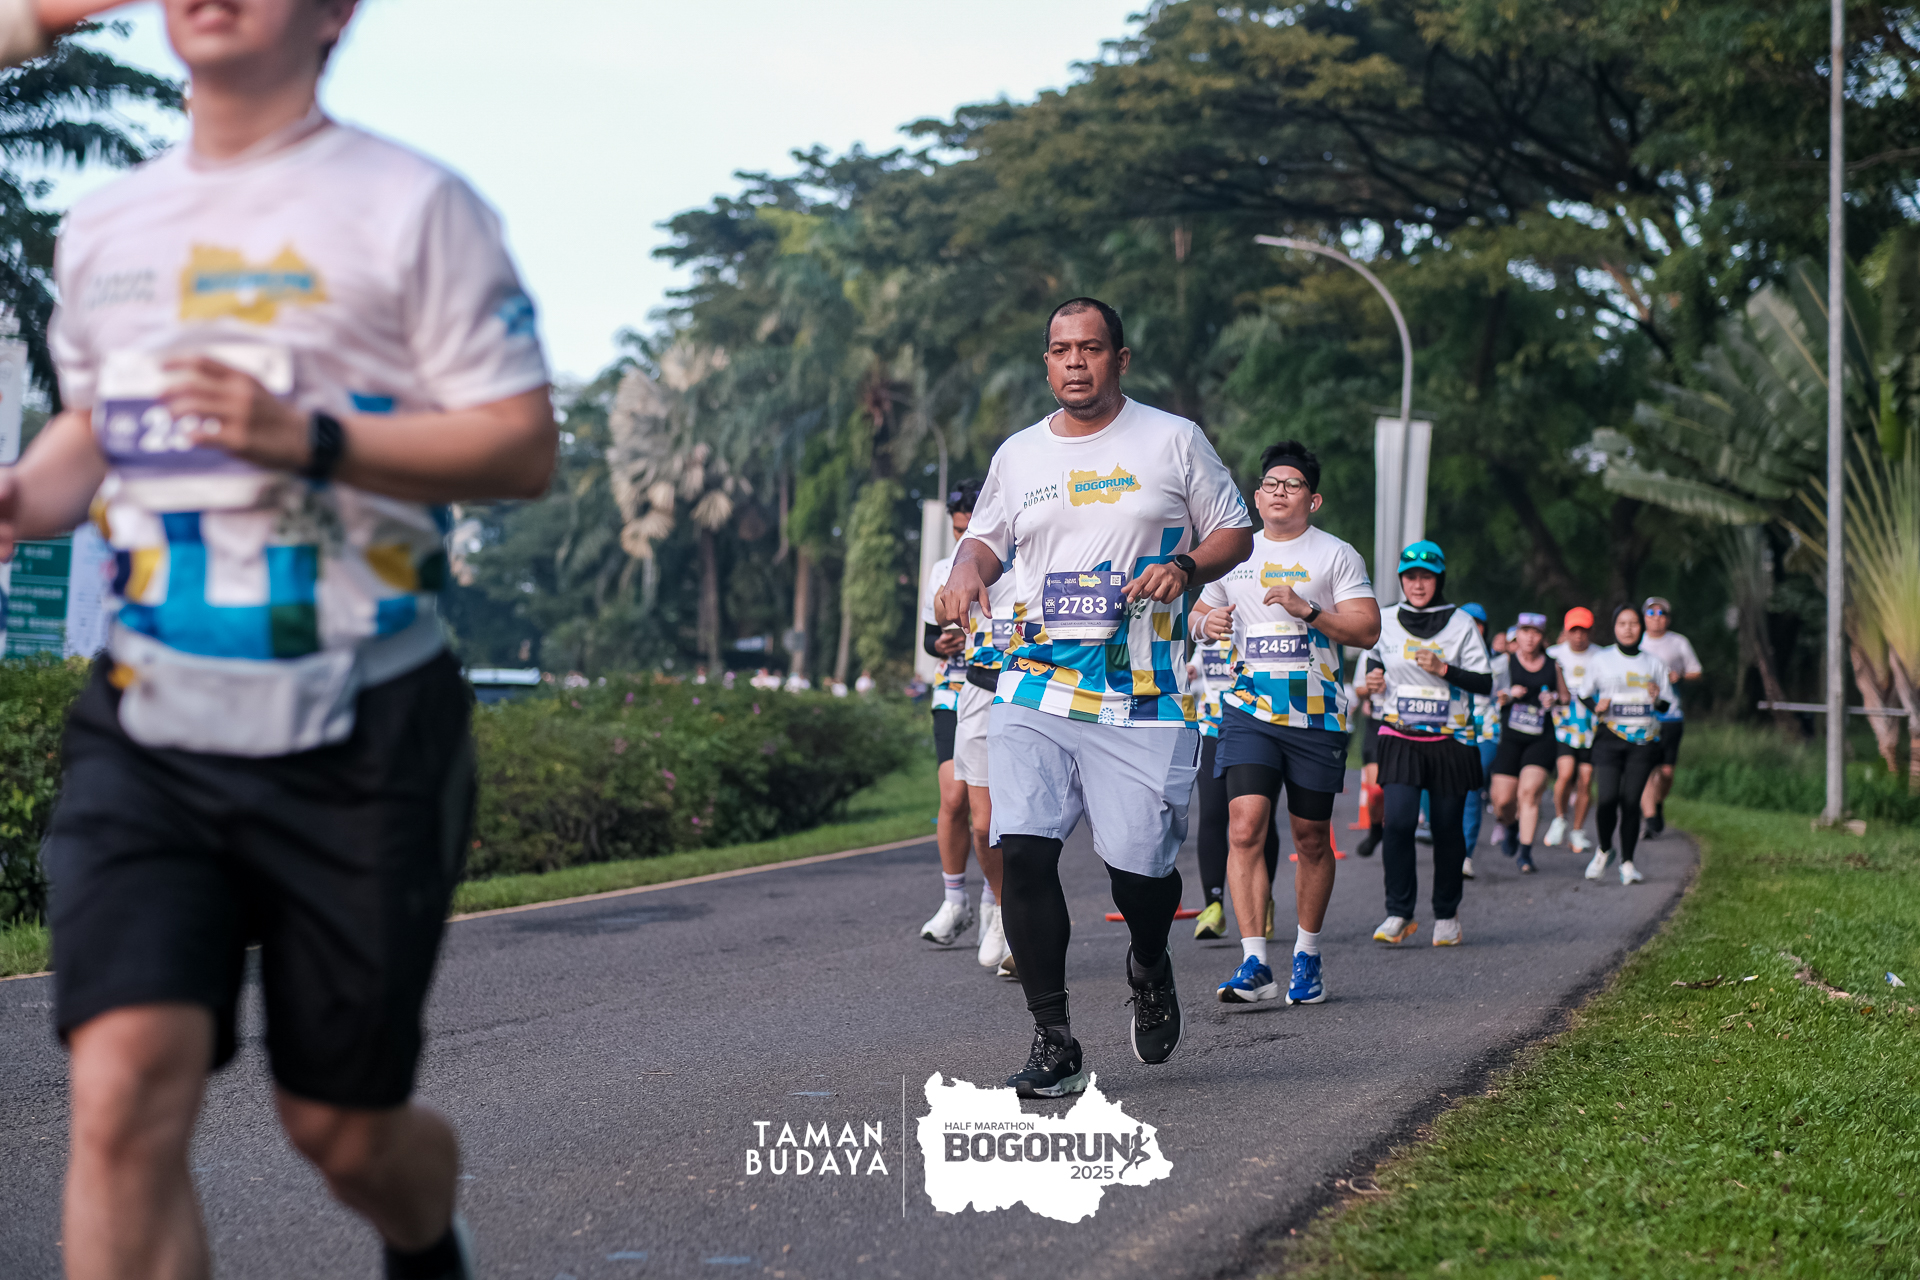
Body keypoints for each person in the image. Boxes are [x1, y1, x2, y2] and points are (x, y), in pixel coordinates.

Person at [10, 3, 557, 1278]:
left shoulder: (414, 206)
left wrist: (308, 438)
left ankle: (425, 1237)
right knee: (119, 1088)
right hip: (148, 713)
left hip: (364, 718)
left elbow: (520, 442)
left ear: (334, 13)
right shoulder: (107, 222)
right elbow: (95, 421)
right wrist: (24, 494)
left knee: (342, 1128)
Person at [937, 297, 1253, 1098]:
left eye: (1091, 348)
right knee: (1024, 850)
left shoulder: (1172, 439)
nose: (1075, 361)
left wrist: (1185, 567)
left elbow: (1234, 529)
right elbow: (985, 539)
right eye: (1060, 350)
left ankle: (1149, 960)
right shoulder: (1019, 455)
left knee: (1141, 874)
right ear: (1047, 362)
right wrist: (966, 570)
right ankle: (1055, 1039)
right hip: (1035, 680)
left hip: (1141, 690)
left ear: (1120, 358)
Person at [1191, 440, 1380, 1006]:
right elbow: (1198, 610)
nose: (1279, 492)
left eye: (1292, 484)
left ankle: (1307, 953)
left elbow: (1367, 628)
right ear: (1256, 497)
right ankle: (1254, 962)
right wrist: (1207, 622)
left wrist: (1308, 611)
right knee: (1244, 826)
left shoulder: (1336, 555)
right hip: (1248, 709)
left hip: (1315, 714)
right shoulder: (1235, 552)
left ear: (1312, 500)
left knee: (1310, 838)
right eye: (1271, 484)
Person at [1361, 542, 1493, 947]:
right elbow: (1374, 663)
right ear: (1402, 580)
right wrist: (1373, 678)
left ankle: (1446, 914)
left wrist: (1444, 669)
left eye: (1426, 577)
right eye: (1411, 577)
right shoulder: (1384, 619)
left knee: (1446, 828)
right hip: (1400, 735)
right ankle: (1399, 912)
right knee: (1399, 823)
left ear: (1439, 580)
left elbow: (1484, 682)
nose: (1418, 585)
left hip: (1450, 740)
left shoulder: (1461, 624)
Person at [943, 478, 1016, 974]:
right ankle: (1004, 909)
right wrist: (955, 587)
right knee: (985, 825)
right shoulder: (968, 557)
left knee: (1037, 825)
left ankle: (1025, 918)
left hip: (1039, 692)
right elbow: (938, 612)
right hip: (980, 692)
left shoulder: (1042, 553)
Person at [1187, 633, 1280, 942]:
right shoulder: (1207, 622)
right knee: (1212, 814)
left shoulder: (1258, 620)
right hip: (1212, 727)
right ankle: (1213, 906)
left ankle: (1263, 899)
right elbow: (1198, 662)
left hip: (1257, 728)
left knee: (1259, 819)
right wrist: (1192, 669)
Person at [917, 502, 977, 949]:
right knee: (953, 797)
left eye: (969, 528)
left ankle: (996, 905)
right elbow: (927, 638)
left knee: (989, 813)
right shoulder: (942, 570)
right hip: (952, 690)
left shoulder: (1012, 561)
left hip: (999, 687)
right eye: (957, 530)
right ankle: (955, 900)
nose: (962, 538)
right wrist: (940, 644)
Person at [1585, 603, 1676, 884]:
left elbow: (1666, 704)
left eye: (1633, 623)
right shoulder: (1601, 659)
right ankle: (1604, 849)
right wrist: (1596, 706)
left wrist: (1656, 698)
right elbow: (1584, 693)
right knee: (1606, 800)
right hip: (1609, 737)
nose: (1628, 629)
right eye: (1622, 623)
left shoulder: (1653, 663)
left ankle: (1627, 863)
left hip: (1643, 740)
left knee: (1630, 802)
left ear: (1641, 627)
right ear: (1614, 627)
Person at [1485, 613, 1562, 874]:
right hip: (1509, 738)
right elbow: (1487, 691)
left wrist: (1554, 699)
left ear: (1542, 637)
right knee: (1502, 801)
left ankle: (1526, 853)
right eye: (1525, 631)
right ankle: (1510, 826)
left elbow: (1565, 697)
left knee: (1529, 793)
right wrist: (1506, 695)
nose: (1530, 638)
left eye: (1535, 633)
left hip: (1541, 738)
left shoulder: (1553, 665)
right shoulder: (1504, 663)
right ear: (1516, 634)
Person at [1637, 595, 1702, 838]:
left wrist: (1680, 676)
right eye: (1651, 613)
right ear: (1644, 618)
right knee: (1645, 767)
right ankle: (1650, 818)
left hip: (1671, 714)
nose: (1656, 618)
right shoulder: (1637, 642)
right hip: (1642, 715)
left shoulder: (1678, 642)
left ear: (1668, 618)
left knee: (1666, 773)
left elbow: (1697, 671)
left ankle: (1657, 803)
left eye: (1661, 613)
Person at [1545, 608, 1599, 854]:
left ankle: (1577, 831)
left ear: (1590, 632)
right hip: (1563, 724)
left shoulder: (1601, 656)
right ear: (1566, 631)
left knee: (1586, 779)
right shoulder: (1553, 655)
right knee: (1566, 773)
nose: (1579, 636)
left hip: (1591, 726)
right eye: (1574, 630)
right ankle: (1559, 818)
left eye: (1583, 630)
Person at [1457, 601, 1501, 879]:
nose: (1473, 627)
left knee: (1473, 786)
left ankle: (1465, 855)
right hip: (1453, 725)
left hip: (1486, 729)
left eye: (1478, 623)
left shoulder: (1500, 660)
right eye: (1467, 621)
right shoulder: (1445, 653)